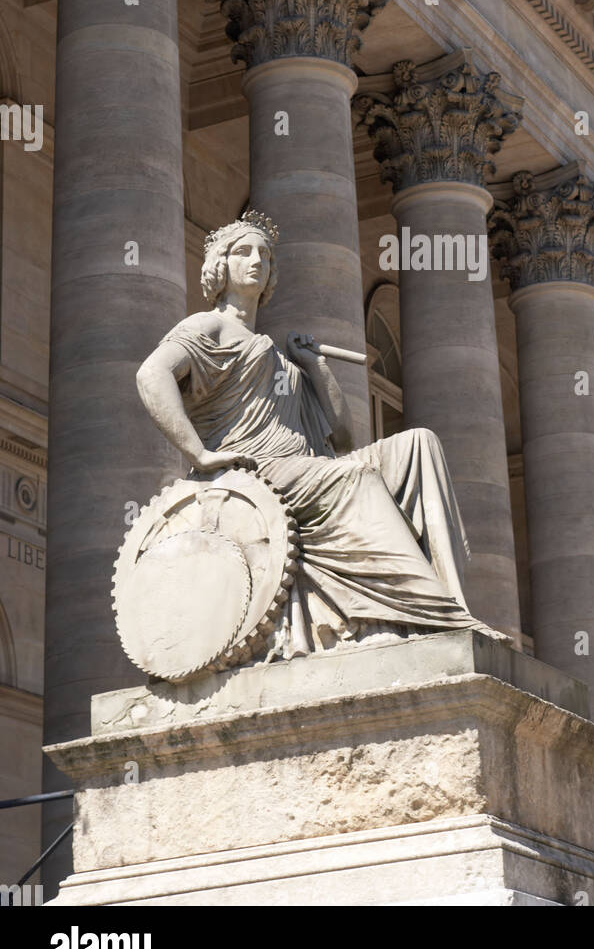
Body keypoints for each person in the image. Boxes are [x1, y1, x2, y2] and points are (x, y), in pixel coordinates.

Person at [135, 210, 479, 657]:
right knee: (355, 479)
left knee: (419, 444)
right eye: (243, 251)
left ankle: (449, 601)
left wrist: (314, 366)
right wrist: (200, 454)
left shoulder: (279, 358)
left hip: (302, 467)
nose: (256, 259)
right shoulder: (209, 327)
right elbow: (151, 375)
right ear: (221, 264)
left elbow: (342, 439)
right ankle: (420, 608)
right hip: (254, 472)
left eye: (263, 253)